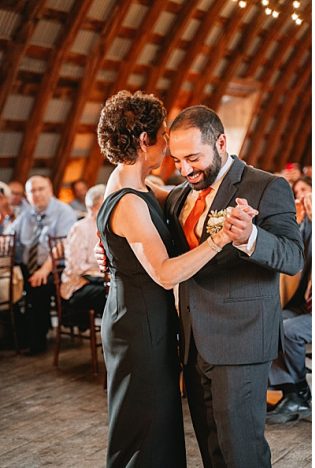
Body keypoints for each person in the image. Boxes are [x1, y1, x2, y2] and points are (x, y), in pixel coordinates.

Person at [95, 90, 235, 466]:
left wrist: (226, 178)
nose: (168, 149)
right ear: (144, 141)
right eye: (163, 139)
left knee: (153, 423)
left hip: (140, 317)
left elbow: (181, 197)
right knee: (145, 427)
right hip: (139, 327)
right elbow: (163, 272)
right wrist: (220, 240)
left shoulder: (136, 186)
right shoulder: (128, 200)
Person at [165, 105, 304, 468]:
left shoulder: (266, 186)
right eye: (177, 160)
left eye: (193, 157)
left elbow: (293, 257)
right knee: (211, 448)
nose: (185, 169)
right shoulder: (180, 196)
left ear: (221, 142)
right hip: (194, 340)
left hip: (242, 341)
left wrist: (251, 237)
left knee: (241, 451)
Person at [8, 176, 76, 354]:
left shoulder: (64, 212)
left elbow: (62, 245)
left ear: (50, 190)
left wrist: (44, 270)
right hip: (27, 267)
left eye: (41, 189)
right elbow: (9, 234)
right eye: (32, 191)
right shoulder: (27, 214)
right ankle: (17, 337)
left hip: (56, 268)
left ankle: (36, 342)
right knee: (9, 289)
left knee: (38, 287)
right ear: (27, 196)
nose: (37, 194)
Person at [266, 177, 314, 424]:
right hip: (303, 306)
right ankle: (287, 391)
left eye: (305, 191)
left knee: (289, 330)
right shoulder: (305, 224)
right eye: (297, 193)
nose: (301, 197)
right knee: (271, 321)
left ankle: (298, 391)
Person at [58, 184, 108, 330]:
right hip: (77, 285)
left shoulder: (106, 225)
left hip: (98, 280)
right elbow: (76, 266)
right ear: (93, 207)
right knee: (109, 293)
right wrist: (101, 272)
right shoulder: (80, 228)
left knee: (119, 289)